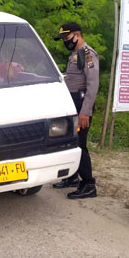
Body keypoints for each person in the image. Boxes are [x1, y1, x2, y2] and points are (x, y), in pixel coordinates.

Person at [52, 22, 99, 199]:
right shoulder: (75, 54)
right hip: (72, 103)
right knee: (70, 142)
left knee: (80, 144)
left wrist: (85, 112)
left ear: (77, 35)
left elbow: (92, 85)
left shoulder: (87, 55)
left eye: (67, 37)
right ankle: (72, 176)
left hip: (81, 104)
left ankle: (88, 184)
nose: (65, 41)